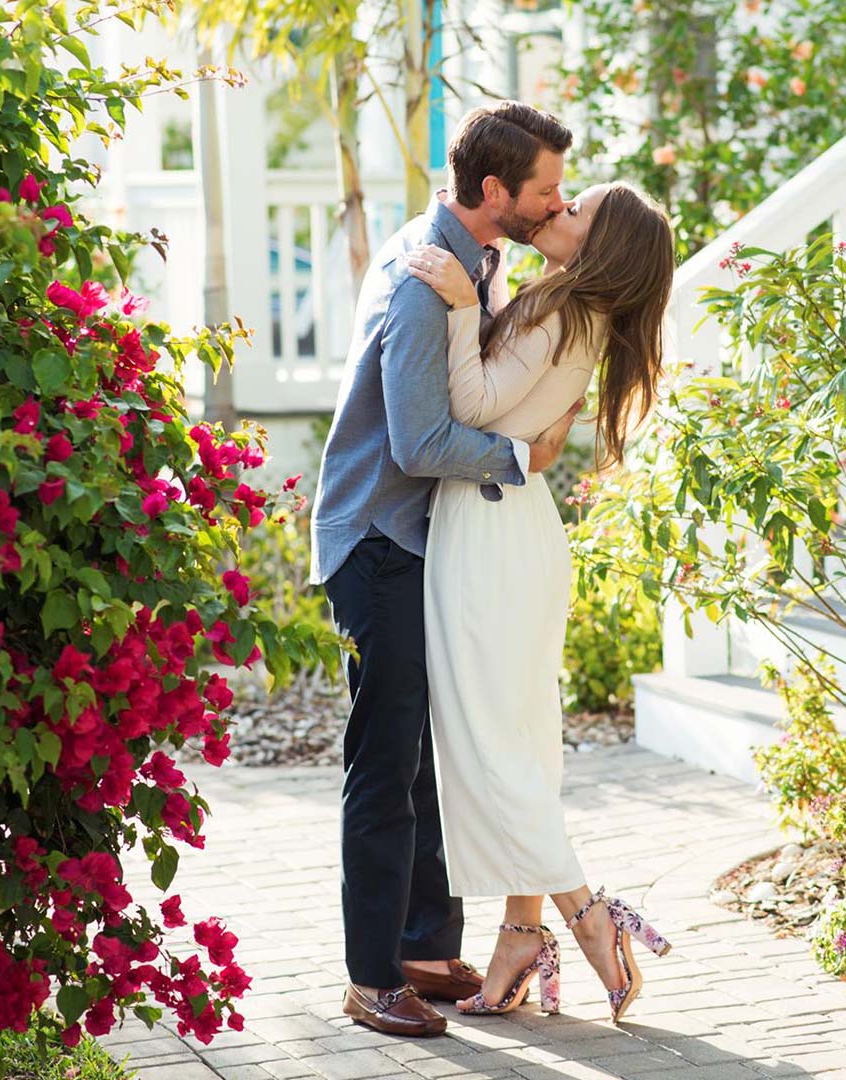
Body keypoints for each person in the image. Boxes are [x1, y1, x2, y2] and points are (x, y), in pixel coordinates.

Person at [309, 101, 583, 1038]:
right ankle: (369, 974)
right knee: (385, 762)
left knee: (430, 751)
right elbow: (423, 440)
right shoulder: (424, 282)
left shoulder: (476, 259)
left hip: (422, 540)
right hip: (380, 538)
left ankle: (425, 946)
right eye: (547, 189)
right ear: (496, 191)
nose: (559, 202)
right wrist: (523, 459)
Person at [405, 180, 675, 1024]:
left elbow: (472, 406)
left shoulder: (564, 311)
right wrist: (479, 300)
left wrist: (455, 308)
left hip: (488, 532)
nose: (554, 214)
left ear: (603, 248)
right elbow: (513, 416)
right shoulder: (563, 307)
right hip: (508, 524)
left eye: (574, 212)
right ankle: (522, 932)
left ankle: (586, 915)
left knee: (486, 741)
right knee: (514, 739)